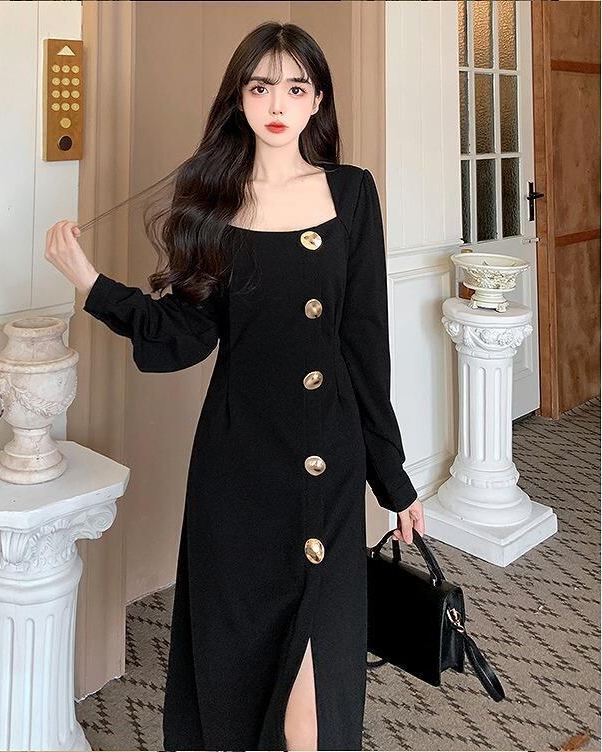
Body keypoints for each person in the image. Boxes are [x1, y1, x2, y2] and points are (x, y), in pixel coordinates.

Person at [45, 20, 425, 752]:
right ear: (239, 98)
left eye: (295, 88)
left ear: (318, 100)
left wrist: (393, 478)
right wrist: (91, 284)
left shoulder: (350, 194)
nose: (277, 104)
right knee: (239, 666)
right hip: (240, 471)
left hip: (328, 465)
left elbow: (364, 347)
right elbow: (185, 334)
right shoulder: (214, 202)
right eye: (260, 86)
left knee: (315, 692)